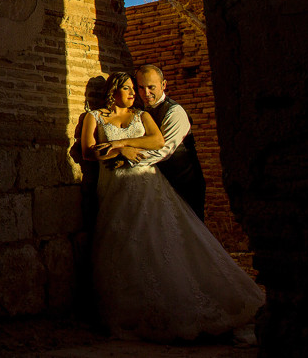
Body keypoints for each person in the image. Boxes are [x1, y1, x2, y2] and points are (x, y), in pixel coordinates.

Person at [81, 71, 264, 341]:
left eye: (141, 88)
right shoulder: (93, 116)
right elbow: (88, 151)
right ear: (113, 91)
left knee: (165, 238)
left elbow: (160, 144)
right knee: (125, 242)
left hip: (153, 183)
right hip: (114, 187)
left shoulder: (151, 115)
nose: (137, 93)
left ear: (163, 85)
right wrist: (120, 150)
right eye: (131, 88)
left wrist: (121, 146)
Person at [122, 64, 207, 220]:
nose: (146, 93)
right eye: (141, 87)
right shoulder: (141, 111)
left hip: (184, 184)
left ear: (163, 85)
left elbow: (164, 150)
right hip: (158, 185)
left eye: (151, 87)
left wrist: (128, 159)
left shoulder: (175, 112)